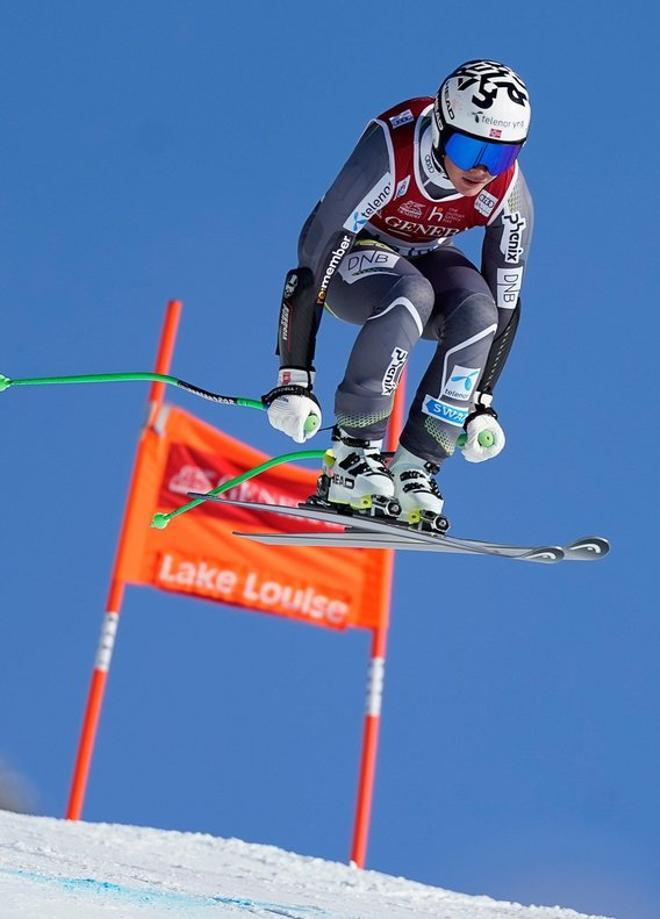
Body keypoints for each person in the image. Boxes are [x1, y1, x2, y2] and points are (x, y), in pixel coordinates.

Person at [263, 59, 533, 527]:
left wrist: (482, 401)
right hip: (352, 258)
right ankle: (352, 450)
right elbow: (315, 256)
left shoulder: (507, 192)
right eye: (470, 150)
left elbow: (507, 298)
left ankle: (417, 464)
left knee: (479, 311)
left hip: (424, 255)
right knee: (412, 293)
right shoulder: (393, 151)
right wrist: (295, 380)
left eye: (502, 156)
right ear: (442, 129)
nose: (482, 171)